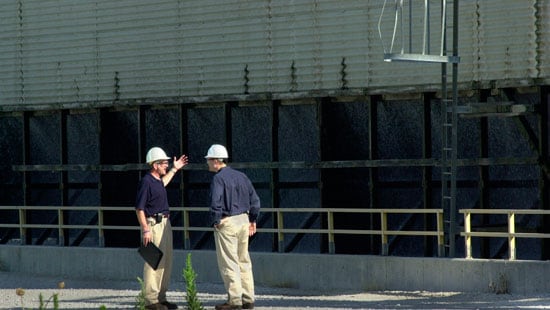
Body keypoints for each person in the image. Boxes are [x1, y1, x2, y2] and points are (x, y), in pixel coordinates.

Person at [205, 144, 260, 310]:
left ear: (216, 161)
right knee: (244, 260)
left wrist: (215, 220)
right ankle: (248, 298)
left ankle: (234, 300)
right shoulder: (241, 176)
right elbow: (255, 200)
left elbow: (216, 201)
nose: (207, 163)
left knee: (229, 262)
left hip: (227, 222)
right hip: (243, 220)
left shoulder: (218, 178)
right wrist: (253, 220)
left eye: (208, 160)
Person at [136, 146, 188, 310]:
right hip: (153, 225)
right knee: (153, 261)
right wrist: (145, 229)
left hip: (165, 224)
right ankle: (151, 301)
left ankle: (161, 297)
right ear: (155, 164)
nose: (166, 165)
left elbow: (163, 183)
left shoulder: (157, 181)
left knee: (166, 261)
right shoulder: (146, 182)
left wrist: (174, 169)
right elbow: (139, 208)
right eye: (164, 163)